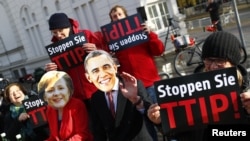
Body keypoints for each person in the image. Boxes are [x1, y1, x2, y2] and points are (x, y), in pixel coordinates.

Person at [147, 31, 250, 141]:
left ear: (233, 63)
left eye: (220, 60)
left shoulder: (246, 90)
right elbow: (182, 134)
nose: (214, 66)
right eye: (209, 60)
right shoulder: (189, 90)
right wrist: (161, 121)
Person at [106, 5, 165, 141]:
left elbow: (159, 50)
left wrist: (150, 34)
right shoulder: (112, 41)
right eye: (114, 16)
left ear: (126, 16)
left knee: (162, 118)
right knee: (144, 123)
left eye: (120, 14)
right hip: (132, 88)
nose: (117, 18)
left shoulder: (141, 31)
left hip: (150, 84)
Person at [84, 50, 154, 141]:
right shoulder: (96, 98)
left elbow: (152, 114)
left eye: (106, 67)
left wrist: (136, 100)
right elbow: (99, 133)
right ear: (89, 77)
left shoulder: (134, 85)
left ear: (115, 68)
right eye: (95, 71)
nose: (102, 74)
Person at [44, 13, 106, 110]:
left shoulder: (86, 34)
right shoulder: (55, 48)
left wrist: (96, 50)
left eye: (61, 30)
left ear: (68, 26)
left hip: (97, 89)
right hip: (76, 96)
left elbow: (107, 55)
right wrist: (51, 71)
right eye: (55, 32)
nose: (59, 35)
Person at [37, 70, 93, 141]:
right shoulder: (50, 109)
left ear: (68, 89)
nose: (56, 93)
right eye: (50, 90)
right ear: (45, 96)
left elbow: (82, 134)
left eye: (61, 88)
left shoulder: (77, 105)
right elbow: (54, 137)